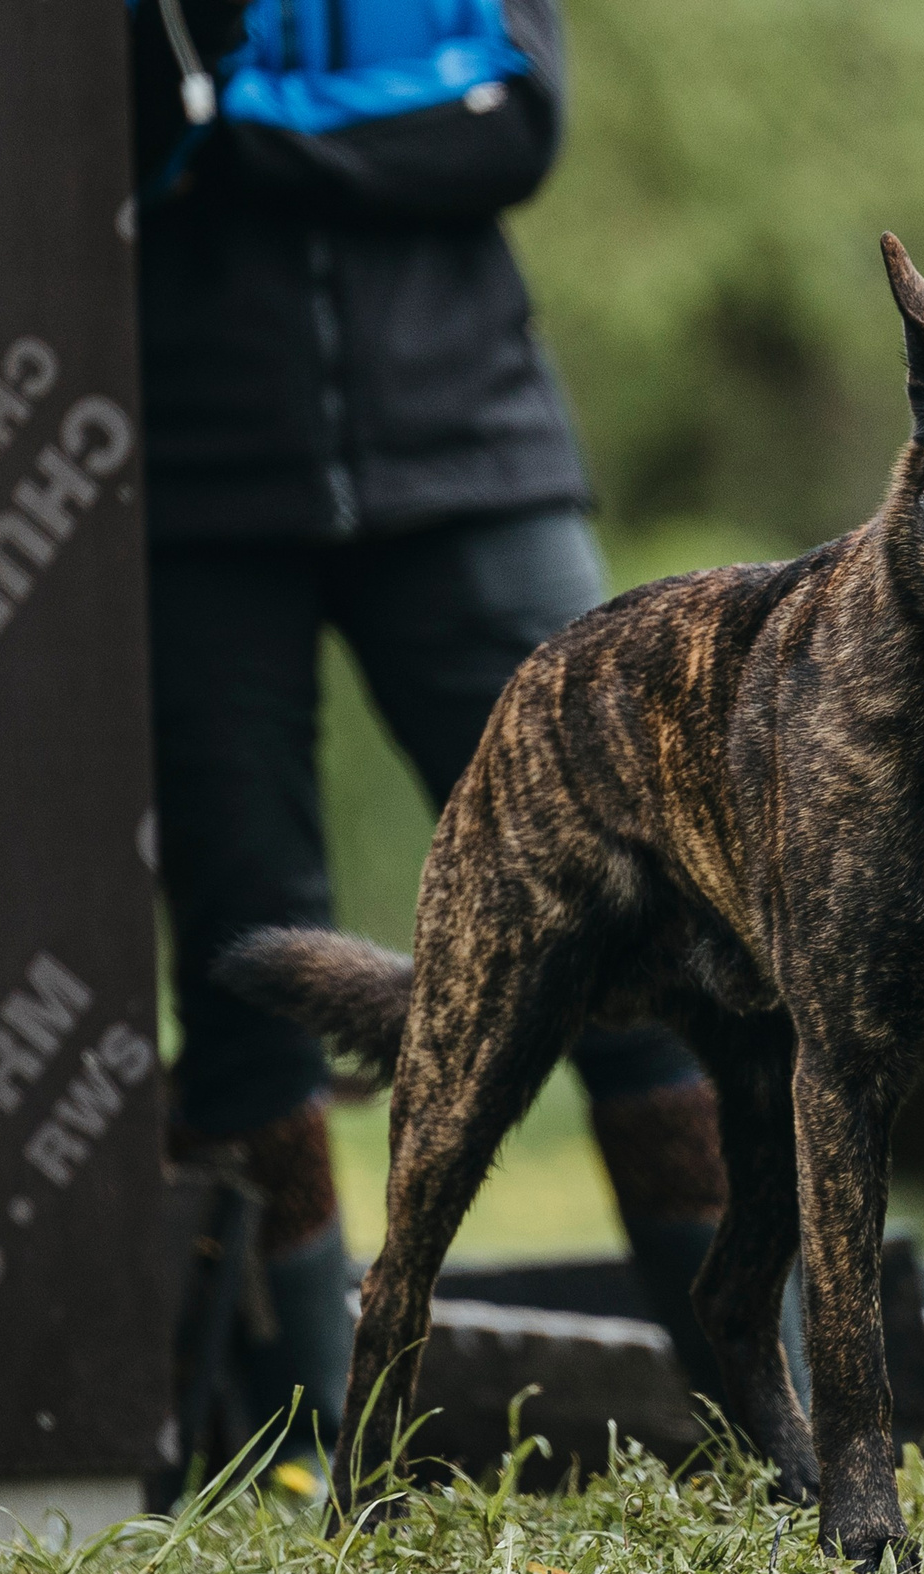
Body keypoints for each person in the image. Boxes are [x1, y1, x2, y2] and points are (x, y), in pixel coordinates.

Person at [127, 0, 729, 1470]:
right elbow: (130, 139)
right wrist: (359, 113)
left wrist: (244, 129)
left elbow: (509, 127)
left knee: (656, 914)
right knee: (248, 959)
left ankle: (757, 1402)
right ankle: (325, 1442)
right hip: (193, 475)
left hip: (477, 461)